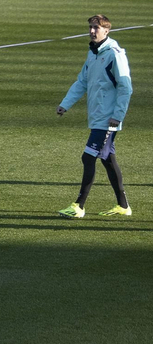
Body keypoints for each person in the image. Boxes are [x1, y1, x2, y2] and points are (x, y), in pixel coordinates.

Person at [56, 14, 134, 218]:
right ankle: (123, 206)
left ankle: (78, 206)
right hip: (98, 117)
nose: (92, 31)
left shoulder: (114, 55)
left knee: (88, 157)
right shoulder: (93, 52)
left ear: (107, 31)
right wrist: (65, 104)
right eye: (90, 27)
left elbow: (126, 88)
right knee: (107, 159)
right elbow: (82, 81)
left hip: (108, 119)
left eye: (96, 28)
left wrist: (117, 116)